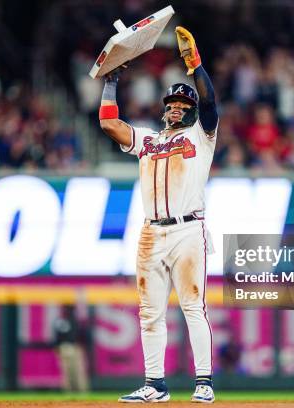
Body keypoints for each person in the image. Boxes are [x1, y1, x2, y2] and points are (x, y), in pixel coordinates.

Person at [98, 26, 218, 403]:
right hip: (152, 233)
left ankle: (203, 383)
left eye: (182, 105)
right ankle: (155, 384)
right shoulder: (149, 139)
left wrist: (193, 64)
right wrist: (112, 80)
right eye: (171, 104)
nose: (175, 108)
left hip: (187, 230)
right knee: (149, 312)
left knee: (192, 306)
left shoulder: (201, 135)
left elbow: (211, 103)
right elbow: (109, 124)